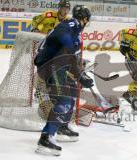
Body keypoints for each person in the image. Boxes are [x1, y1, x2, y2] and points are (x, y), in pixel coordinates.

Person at [34, 5, 93, 156]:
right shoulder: (70, 26)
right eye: (87, 20)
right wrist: (80, 74)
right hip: (49, 66)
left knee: (72, 90)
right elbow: (66, 49)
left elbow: (70, 58)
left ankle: (61, 126)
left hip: (55, 65)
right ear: (84, 19)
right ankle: (46, 138)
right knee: (64, 100)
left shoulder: (75, 31)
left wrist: (80, 76)